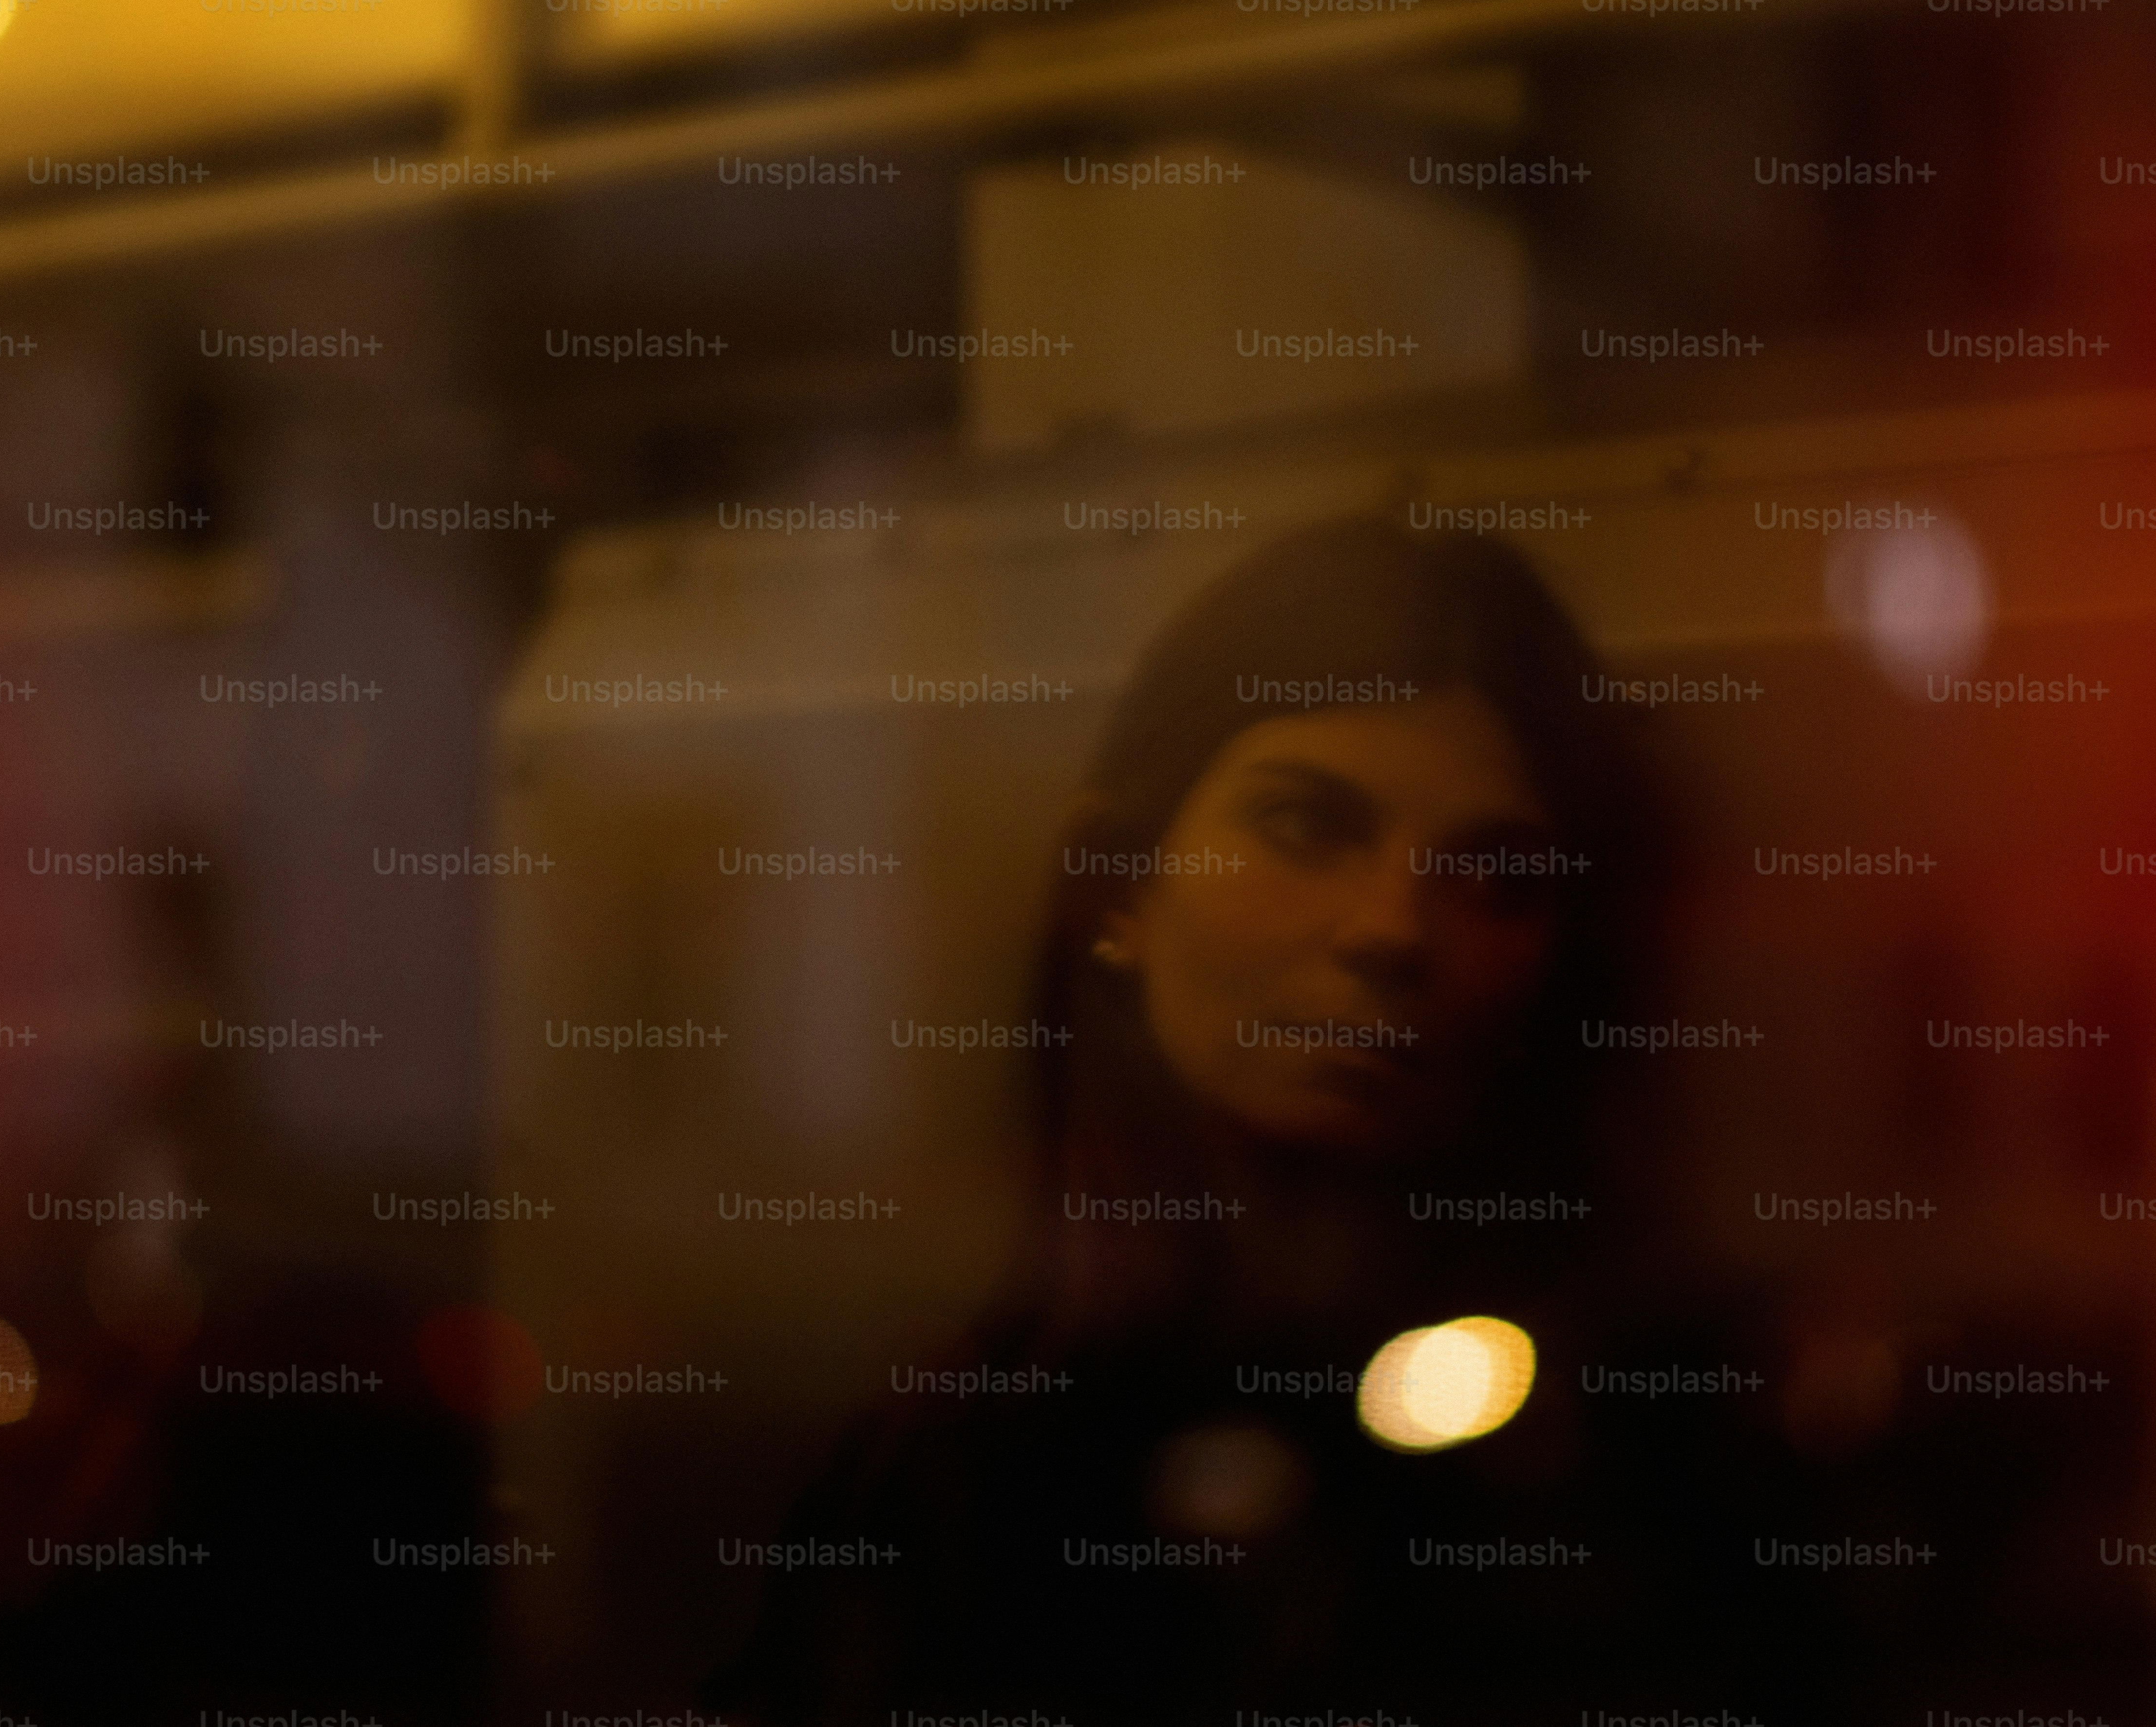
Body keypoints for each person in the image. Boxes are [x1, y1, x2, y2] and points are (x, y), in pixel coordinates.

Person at [713, 514, 1837, 1721]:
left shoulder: (1638, 1459)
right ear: (1119, 881)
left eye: (1498, 875)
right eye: (1307, 825)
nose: (1394, 930)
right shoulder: (943, 1472)